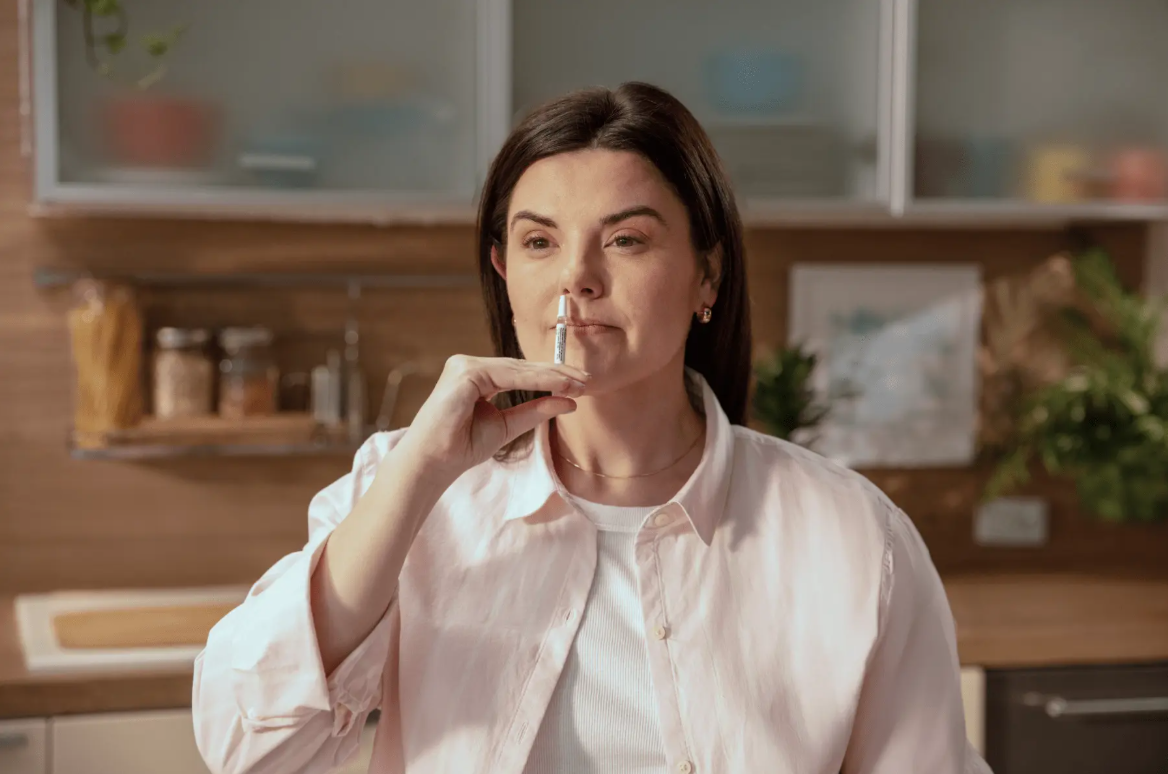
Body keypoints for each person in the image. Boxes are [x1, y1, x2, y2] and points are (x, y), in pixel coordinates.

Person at [192, 82, 992, 774]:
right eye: (539, 241)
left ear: (706, 273)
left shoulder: (855, 538)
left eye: (626, 240)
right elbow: (246, 749)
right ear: (506, 271)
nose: (576, 275)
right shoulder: (408, 493)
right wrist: (417, 480)